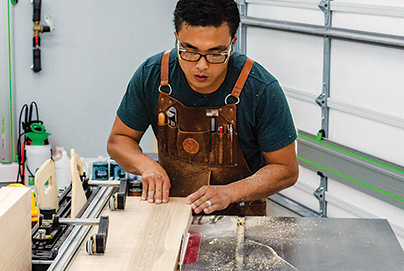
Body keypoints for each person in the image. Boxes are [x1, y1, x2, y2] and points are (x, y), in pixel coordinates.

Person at [107, 0, 298, 216]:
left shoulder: (260, 88)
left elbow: (286, 170)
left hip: (240, 219)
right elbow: (119, 141)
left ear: (232, 43)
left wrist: (230, 192)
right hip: (171, 213)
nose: (201, 65)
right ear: (176, 38)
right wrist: (146, 166)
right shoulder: (152, 75)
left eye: (216, 53)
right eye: (190, 50)